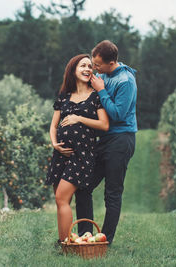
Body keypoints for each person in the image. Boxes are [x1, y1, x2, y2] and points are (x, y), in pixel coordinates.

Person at [74, 40, 138, 245]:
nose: (94, 68)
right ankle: (86, 236)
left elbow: (118, 115)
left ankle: (104, 241)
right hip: (104, 139)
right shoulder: (103, 75)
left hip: (121, 139)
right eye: (93, 63)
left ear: (112, 63)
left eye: (98, 65)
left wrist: (101, 90)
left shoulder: (125, 81)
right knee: (83, 186)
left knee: (112, 193)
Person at [45, 54, 109, 244]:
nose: (88, 69)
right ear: (73, 69)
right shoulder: (64, 97)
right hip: (60, 154)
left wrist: (78, 118)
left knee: (61, 197)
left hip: (81, 156)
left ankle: (66, 243)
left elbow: (104, 125)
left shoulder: (96, 97)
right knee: (60, 201)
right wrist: (54, 143)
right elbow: (53, 125)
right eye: (83, 65)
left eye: (90, 66)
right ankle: (64, 242)